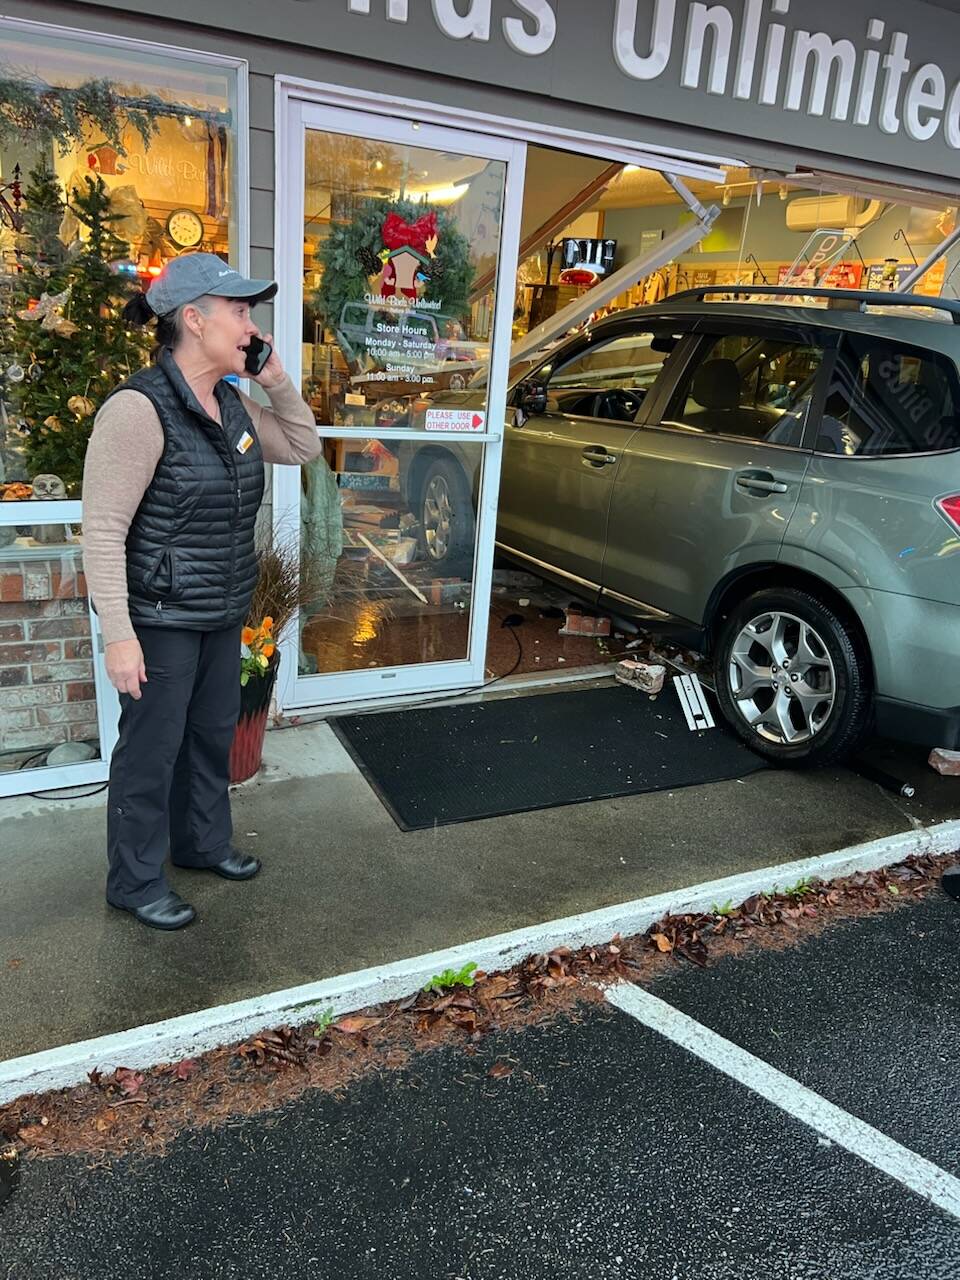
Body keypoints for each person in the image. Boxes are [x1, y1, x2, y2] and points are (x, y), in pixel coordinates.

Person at [82, 253, 323, 931]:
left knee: (212, 735)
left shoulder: (231, 403)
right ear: (195, 319)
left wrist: (275, 379)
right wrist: (120, 636)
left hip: (221, 607)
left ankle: (202, 844)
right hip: (158, 616)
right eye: (240, 311)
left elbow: (302, 446)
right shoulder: (136, 409)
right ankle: (132, 881)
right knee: (150, 752)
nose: (251, 324)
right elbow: (102, 532)